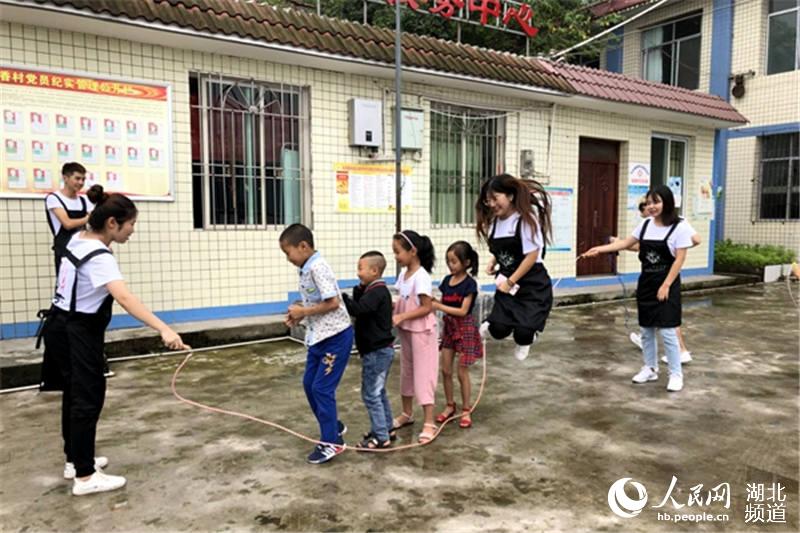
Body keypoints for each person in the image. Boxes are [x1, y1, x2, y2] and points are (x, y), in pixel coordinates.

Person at [40, 186, 188, 496]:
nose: (133, 230)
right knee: (87, 397)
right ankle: (84, 477)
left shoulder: (79, 239)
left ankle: (76, 460)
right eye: (131, 224)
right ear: (112, 224)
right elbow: (123, 296)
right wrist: (164, 329)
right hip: (77, 331)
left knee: (74, 394)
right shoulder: (100, 256)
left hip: (58, 325)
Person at [581, 185, 698, 392]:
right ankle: (650, 368)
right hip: (646, 283)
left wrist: (666, 285)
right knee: (646, 330)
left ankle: (675, 374)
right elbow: (625, 243)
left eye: (656, 202)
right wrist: (599, 250)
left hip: (667, 284)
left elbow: (679, 260)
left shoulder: (678, 227)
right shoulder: (645, 225)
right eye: (649, 202)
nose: (652, 206)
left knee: (668, 331)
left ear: (667, 203)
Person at [280, 224, 353, 464]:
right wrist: (298, 314)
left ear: (303, 246)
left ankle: (332, 442)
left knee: (322, 388)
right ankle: (334, 427)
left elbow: (332, 303)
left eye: (288, 252)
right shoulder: (305, 267)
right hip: (318, 337)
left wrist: (304, 311)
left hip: (335, 338)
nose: (288, 259)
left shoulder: (318, 267)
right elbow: (313, 301)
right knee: (309, 384)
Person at [475, 174, 553, 361]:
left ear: (510, 196)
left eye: (495, 198)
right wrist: (493, 262)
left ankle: (528, 337)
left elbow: (532, 255)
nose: (492, 204)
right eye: (488, 201)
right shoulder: (495, 222)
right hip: (509, 281)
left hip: (532, 283)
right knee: (499, 330)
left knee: (523, 333)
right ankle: (492, 325)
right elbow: (502, 248)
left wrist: (510, 282)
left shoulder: (525, 220)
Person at [612, 200, 699, 363]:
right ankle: (652, 364)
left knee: (668, 323)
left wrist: (679, 248)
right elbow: (640, 247)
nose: (648, 212)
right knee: (656, 323)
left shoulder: (678, 223)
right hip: (649, 281)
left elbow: (696, 240)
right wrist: (619, 244)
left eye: (651, 207)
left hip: (667, 279)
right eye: (646, 210)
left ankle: (681, 353)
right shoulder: (647, 225)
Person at [342, 251, 395, 450]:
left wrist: (343, 298)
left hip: (377, 352)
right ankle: (386, 428)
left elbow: (358, 309)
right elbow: (362, 306)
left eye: (360, 268)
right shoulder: (372, 290)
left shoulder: (377, 292)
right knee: (378, 392)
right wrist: (357, 291)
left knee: (370, 394)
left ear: (374, 271)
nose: (358, 273)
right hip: (378, 351)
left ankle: (381, 437)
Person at [390, 230, 438, 444]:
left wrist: (403, 315)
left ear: (413, 251)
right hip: (407, 331)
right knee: (407, 372)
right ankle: (407, 413)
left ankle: (429, 422)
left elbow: (427, 307)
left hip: (422, 332)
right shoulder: (404, 274)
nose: (395, 256)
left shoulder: (422, 276)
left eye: (398, 252)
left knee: (423, 374)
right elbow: (403, 298)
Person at [433, 241, 483, 429]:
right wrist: (432, 302)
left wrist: (438, 306)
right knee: (445, 370)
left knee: (462, 372)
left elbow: (463, 311)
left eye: (454, 261)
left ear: (466, 262)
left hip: (465, 329)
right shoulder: (446, 281)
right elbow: (441, 302)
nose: (450, 265)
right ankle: (449, 405)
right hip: (449, 328)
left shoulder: (470, 284)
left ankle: (466, 409)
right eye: (448, 261)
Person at [45, 162, 93, 276]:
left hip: (83, 250)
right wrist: (89, 218)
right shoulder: (54, 198)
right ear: (65, 178)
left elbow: (94, 224)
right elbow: (67, 223)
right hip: (64, 252)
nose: (81, 182)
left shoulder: (84, 200)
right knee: (65, 288)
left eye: (83, 179)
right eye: (77, 178)